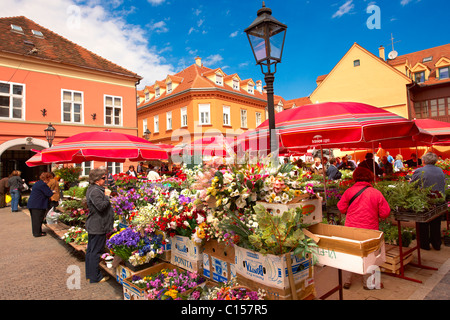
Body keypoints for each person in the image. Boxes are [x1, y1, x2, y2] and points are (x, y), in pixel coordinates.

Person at [337, 167, 390, 290]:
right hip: (369, 230)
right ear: (370, 178)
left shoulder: (349, 191)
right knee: (370, 256)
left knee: (350, 253)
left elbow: (341, 207)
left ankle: (347, 281)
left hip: (351, 229)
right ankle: (368, 283)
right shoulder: (376, 193)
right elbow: (385, 212)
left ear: (355, 177)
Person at [410, 152, 445, 251]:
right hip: (439, 200)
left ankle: (424, 245)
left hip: (425, 200)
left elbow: (413, 185)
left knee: (423, 223)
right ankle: (436, 244)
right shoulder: (440, 170)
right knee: (436, 223)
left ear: (424, 160)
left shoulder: (420, 171)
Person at [85, 168, 114, 283]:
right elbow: (101, 206)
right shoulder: (95, 191)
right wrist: (107, 196)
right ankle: (95, 277)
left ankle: (91, 274)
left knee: (91, 251)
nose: (105, 180)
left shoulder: (94, 189)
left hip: (95, 225)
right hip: (98, 226)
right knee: (96, 252)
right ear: (97, 180)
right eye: (103, 178)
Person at [27, 172, 54, 237]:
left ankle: (38, 232)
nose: (50, 180)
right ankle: (37, 233)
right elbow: (49, 193)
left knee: (36, 219)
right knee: (38, 219)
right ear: (46, 178)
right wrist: (52, 191)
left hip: (33, 204)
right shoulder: (43, 184)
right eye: (49, 179)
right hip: (37, 204)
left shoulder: (38, 183)